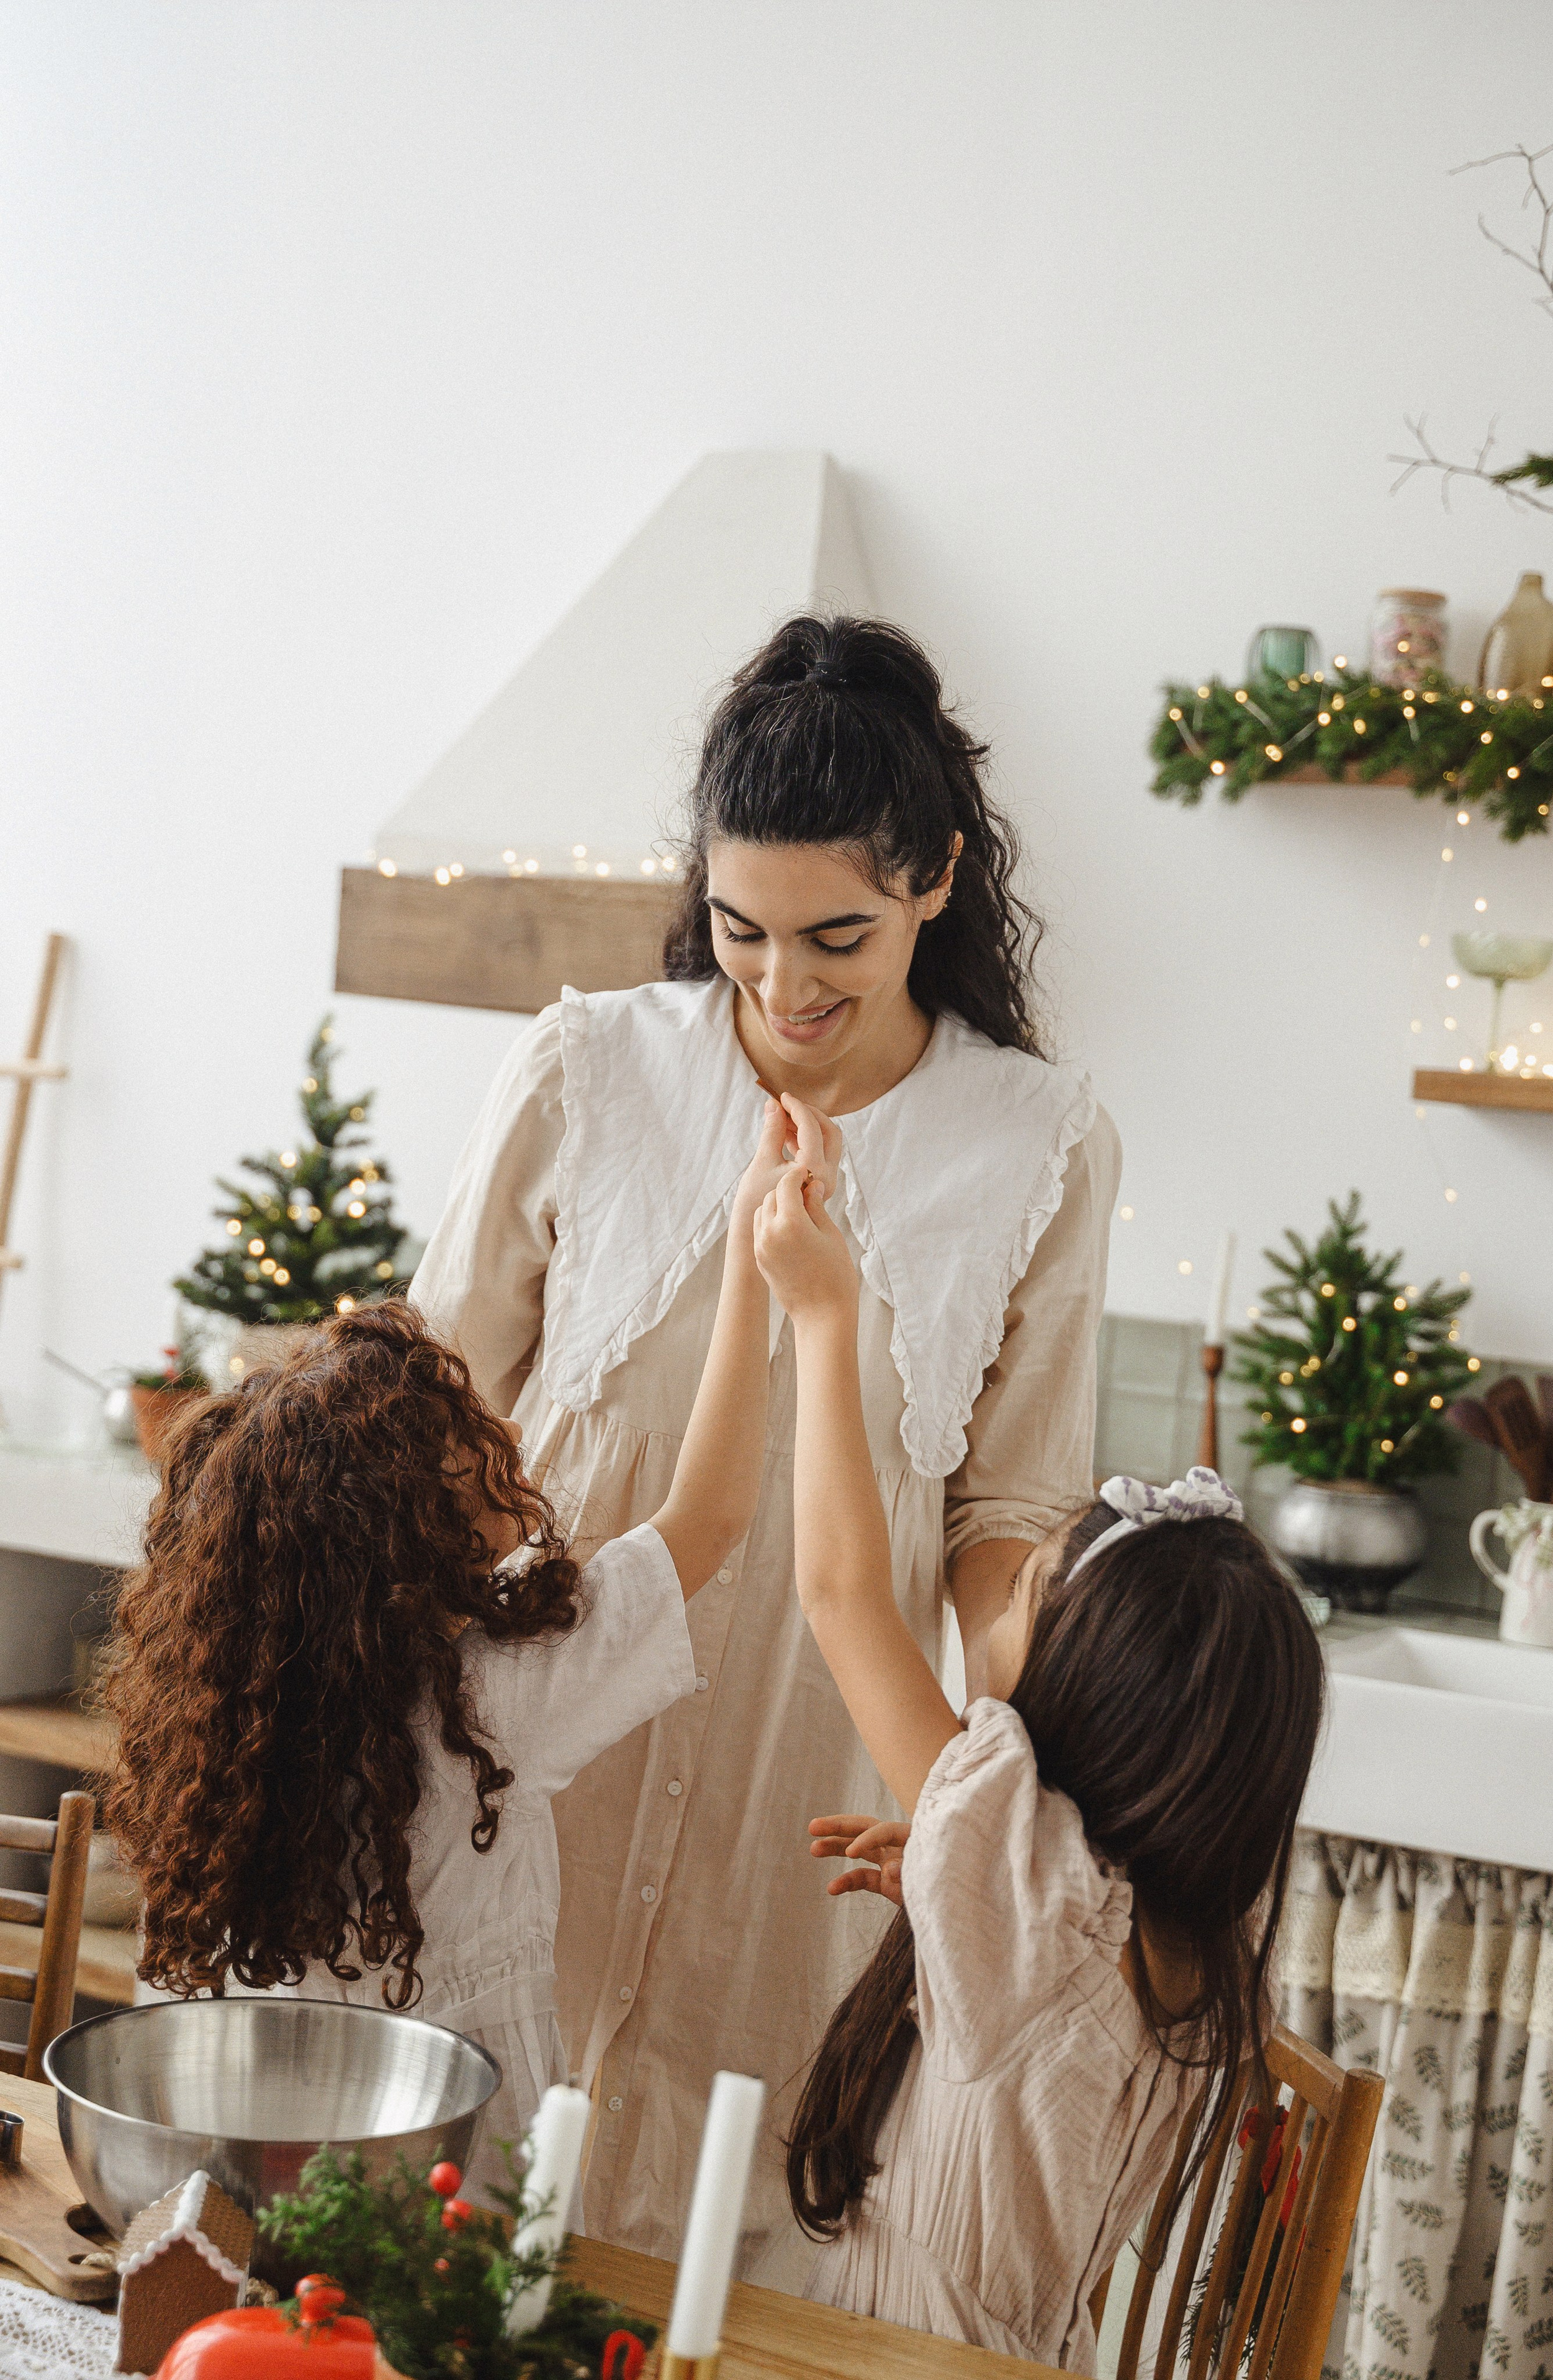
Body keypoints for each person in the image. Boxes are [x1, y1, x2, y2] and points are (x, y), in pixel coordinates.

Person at [410, 613, 1120, 2283]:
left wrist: (1015, 1765)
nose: (785, 987)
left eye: (839, 937)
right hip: (529, 1781)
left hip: (798, 1816)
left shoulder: (1039, 1141)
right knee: (459, 2242)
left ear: (936, 878)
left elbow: (1013, 1504)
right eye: (742, 931)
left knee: (735, 2273)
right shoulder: (588, 1065)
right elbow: (428, 1403)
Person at [99, 1096, 807, 2192]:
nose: (513, 1432)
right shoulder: (494, 1694)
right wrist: (757, 1267)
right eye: (471, 1438)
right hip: (448, 2185)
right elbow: (710, 1513)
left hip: (238, 2164)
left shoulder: (236, 1724)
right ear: (407, 1525)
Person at [752, 1161, 1327, 2371]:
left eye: (1011, 1594)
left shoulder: (1035, 1896)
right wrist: (959, 1882)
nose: (983, 1612)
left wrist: (820, 1313)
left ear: (1094, 1701)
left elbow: (844, 1592)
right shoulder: (1181, 1934)